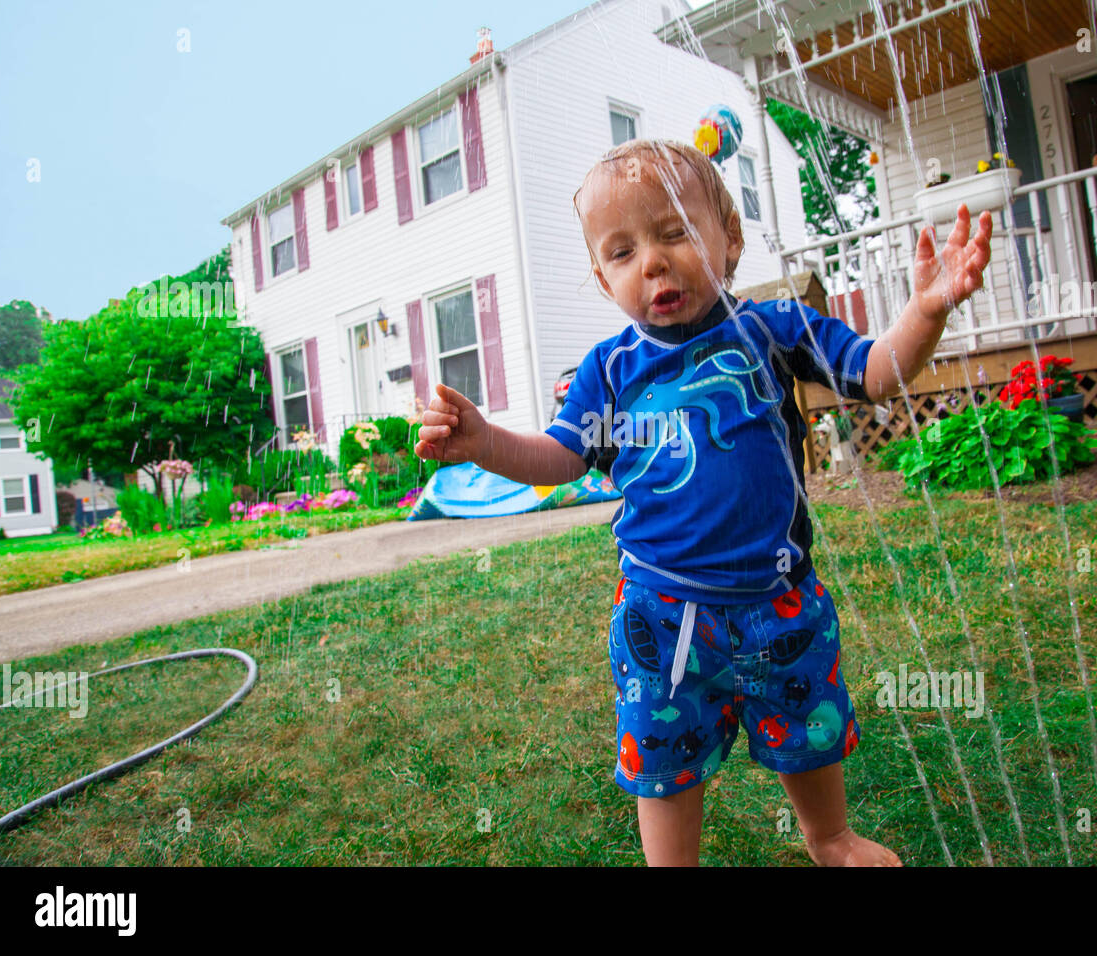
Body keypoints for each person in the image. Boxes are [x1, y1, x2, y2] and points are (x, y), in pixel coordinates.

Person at [416, 138, 992, 866]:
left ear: (730, 241)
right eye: (622, 252)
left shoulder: (773, 329)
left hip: (777, 598)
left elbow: (875, 373)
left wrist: (927, 311)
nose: (652, 262)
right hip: (662, 610)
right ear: (602, 279)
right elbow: (560, 457)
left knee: (806, 721)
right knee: (661, 749)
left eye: (675, 233)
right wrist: (485, 440)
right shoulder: (611, 370)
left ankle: (831, 838)